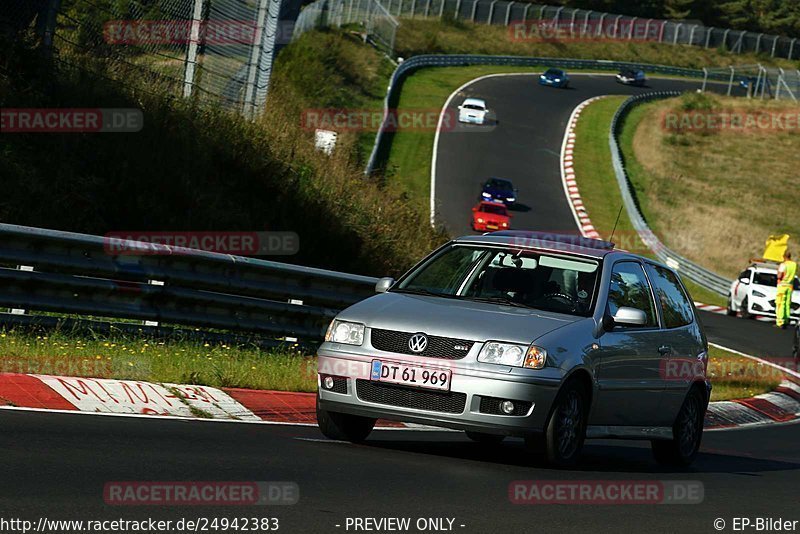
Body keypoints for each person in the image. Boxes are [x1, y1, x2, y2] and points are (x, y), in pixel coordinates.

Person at [776, 251, 797, 329]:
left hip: (782, 285)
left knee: (780, 303)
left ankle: (780, 321)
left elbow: (779, 275)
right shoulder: (794, 265)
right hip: (790, 286)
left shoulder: (783, 265)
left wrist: (778, 272)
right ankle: (786, 319)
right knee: (787, 303)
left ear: (784, 256)